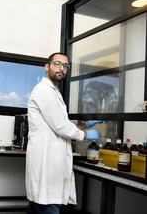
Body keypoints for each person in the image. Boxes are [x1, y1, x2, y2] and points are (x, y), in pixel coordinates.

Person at [26, 53, 103, 214]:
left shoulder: (53, 92)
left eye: (65, 66)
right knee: (47, 204)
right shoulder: (44, 91)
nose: (62, 68)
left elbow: (59, 123)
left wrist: (84, 125)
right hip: (46, 160)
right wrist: (87, 135)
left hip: (49, 160)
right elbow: (60, 126)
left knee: (37, 205)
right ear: (47, 66)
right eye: (57, 64)